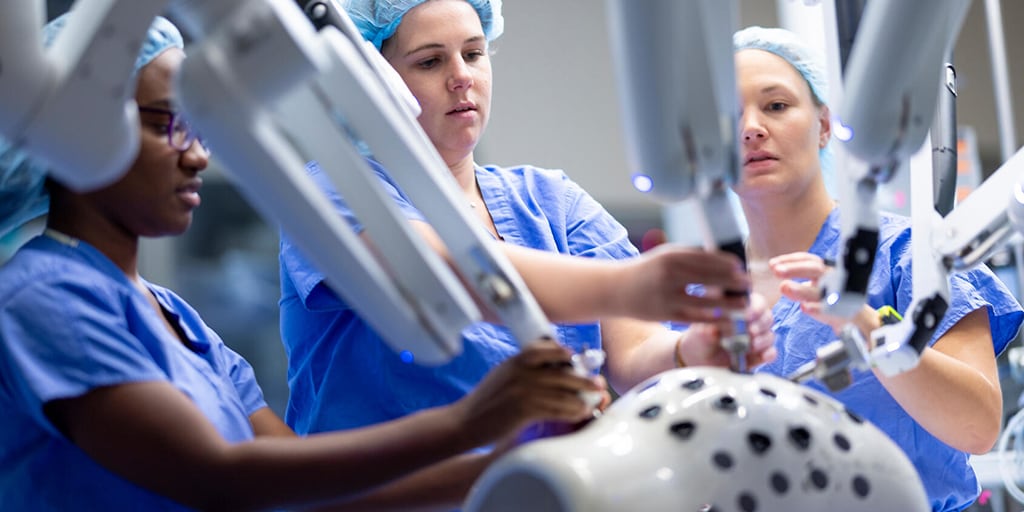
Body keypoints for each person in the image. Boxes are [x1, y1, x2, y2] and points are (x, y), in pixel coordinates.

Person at [0, 13, 608, 511]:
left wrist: (501, 467)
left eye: (199, 129)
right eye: (167, 127)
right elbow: (220, 477)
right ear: (76, 133)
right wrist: (468, 424)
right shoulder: (43, 295)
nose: (197, 158)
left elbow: (308, 495)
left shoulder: (176, 319)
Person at [278, 0, 777, 438]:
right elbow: (431, 271)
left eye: (473, 53)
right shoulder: (337, 188)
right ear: (372, 82)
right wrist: (631, 282)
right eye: (431, 61)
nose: (462, 76)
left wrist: (692, 350)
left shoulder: (548, 200)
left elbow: (634, 350)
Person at [732, 25, 1024, 511]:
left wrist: (864, 324)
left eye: (776, 105)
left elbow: (977, 425)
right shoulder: (698, 292)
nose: (750, 127)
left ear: (825, 124)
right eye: (727, 115)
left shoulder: (910, 255)